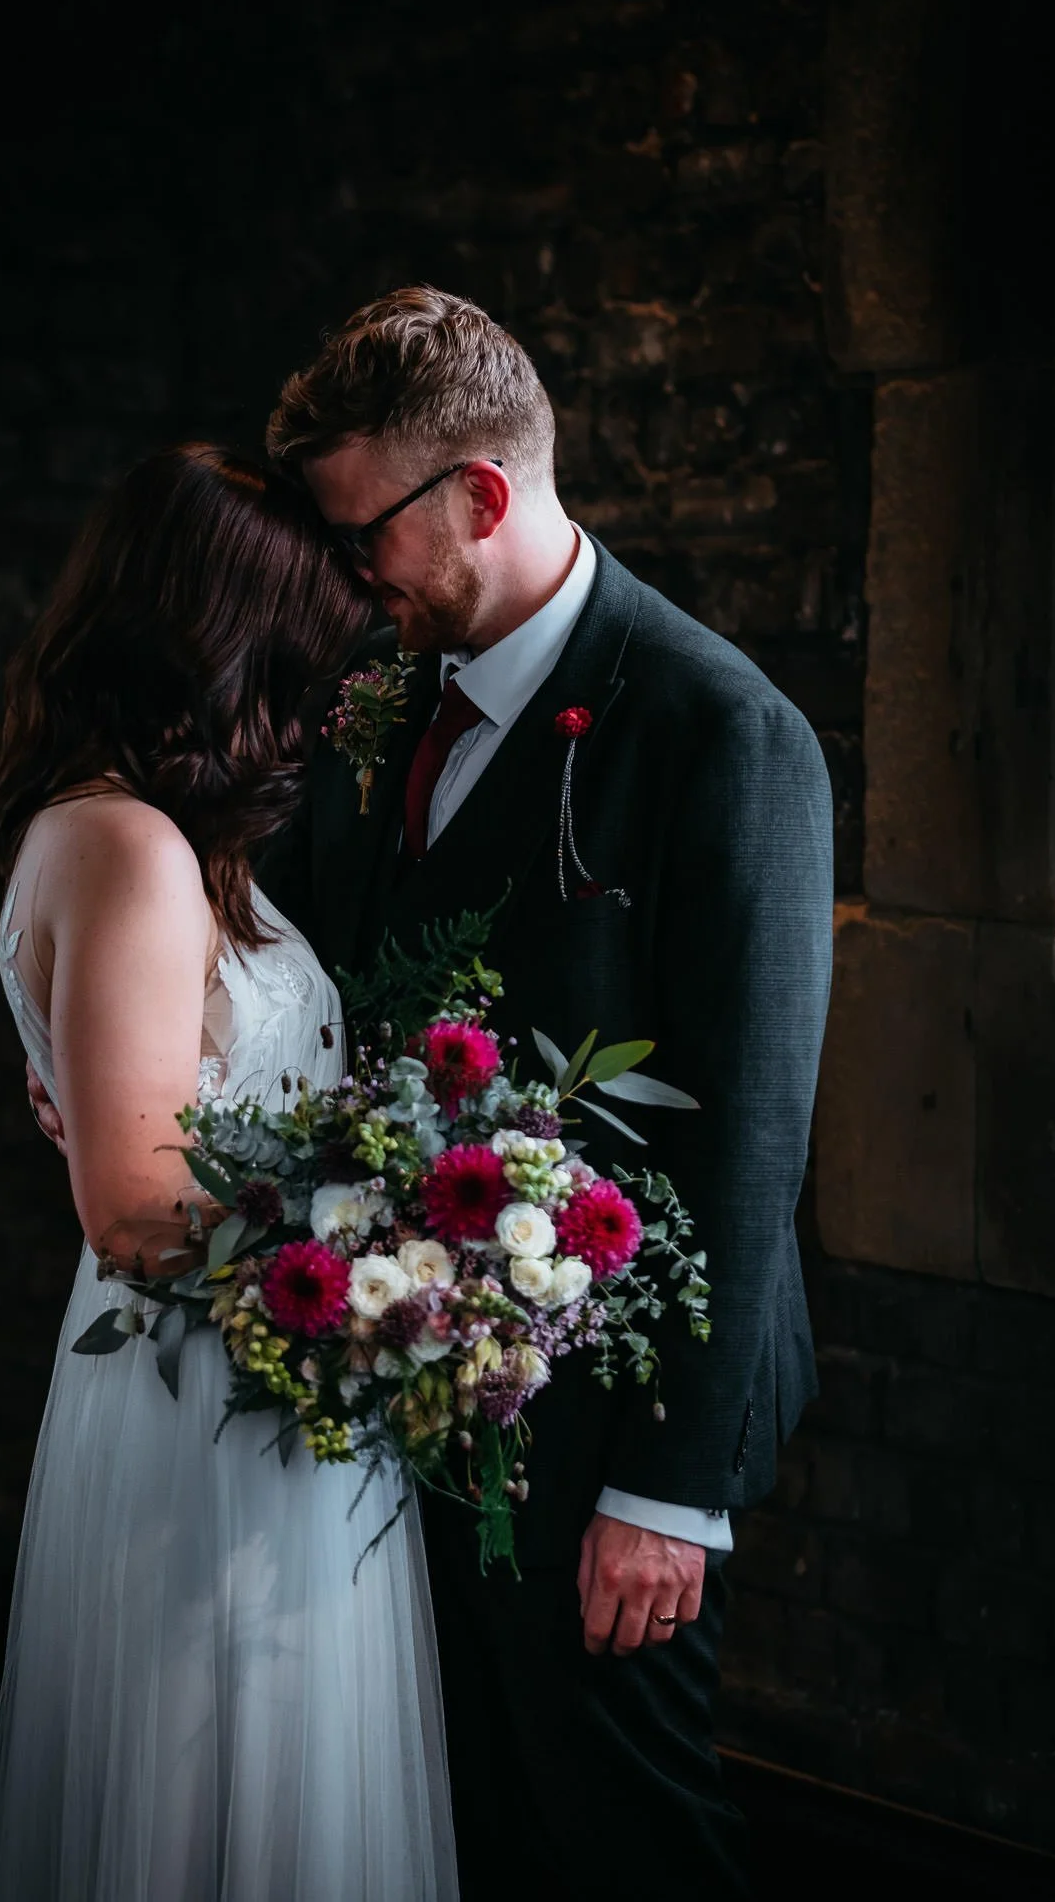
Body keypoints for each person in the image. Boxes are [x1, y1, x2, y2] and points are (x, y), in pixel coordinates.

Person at [257, 287, 836, 1897]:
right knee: (475, 1826)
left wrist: (666, 1492)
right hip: (415, 1375)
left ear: (483, 499)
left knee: (622, 1835)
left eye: (359, 530)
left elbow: (753, 1133)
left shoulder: (722, 729)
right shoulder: (388, 713)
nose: (344, 571)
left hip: (618, 1418)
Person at [0, 443, 458, 1902]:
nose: (312, 706)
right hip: (213, 1419)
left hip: (259, 1390)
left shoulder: (139, 834)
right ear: (219, 642)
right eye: (300, 659)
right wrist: (408, 1266)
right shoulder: (128, 850)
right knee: (201, 1814)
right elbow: (130, 1206)